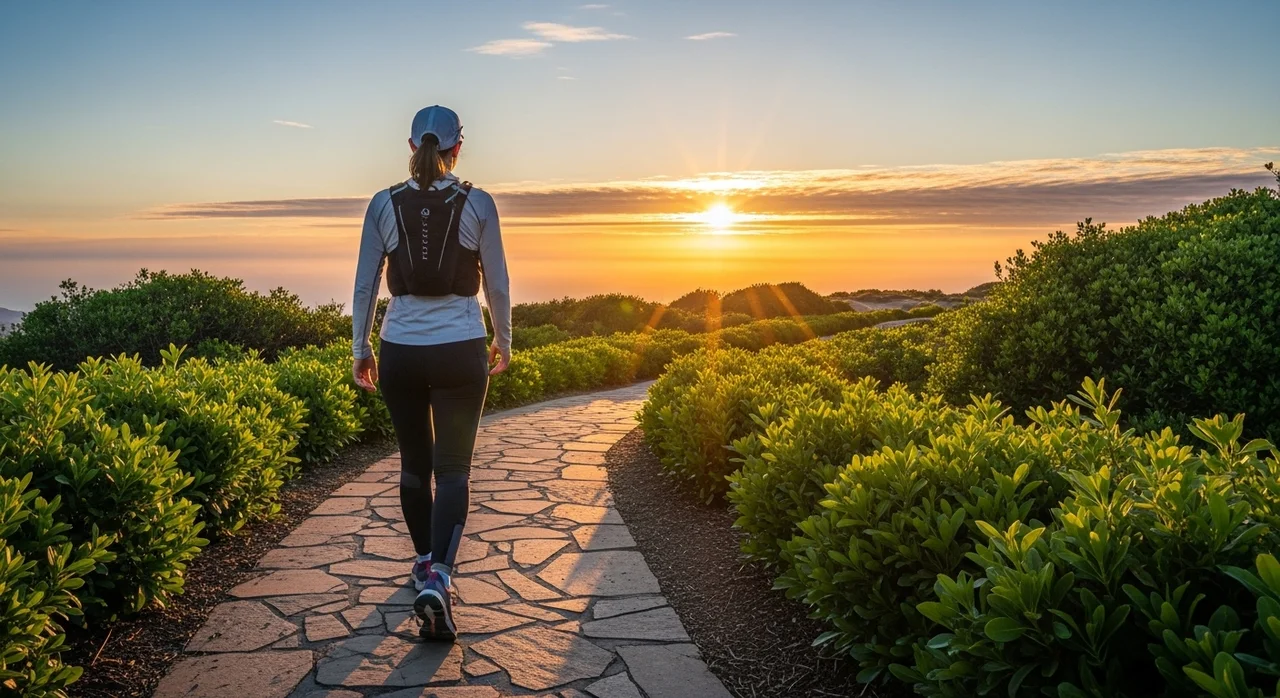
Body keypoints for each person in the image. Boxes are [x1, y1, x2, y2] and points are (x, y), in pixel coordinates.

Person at [350, 104, 511, 641]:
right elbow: (498, 286)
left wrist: (361, 347)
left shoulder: (382, 203)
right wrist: (504, 341)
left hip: (401, 349)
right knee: (455, 469)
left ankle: (422, 563)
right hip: (461, 348)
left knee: (414, 466)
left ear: (411, 146)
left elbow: (366, 283)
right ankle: (440, 577)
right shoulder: (478, 202)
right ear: (458, 148)